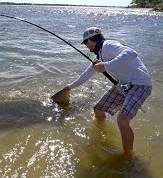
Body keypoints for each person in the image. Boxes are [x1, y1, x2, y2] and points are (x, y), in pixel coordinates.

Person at [63, 27, 152, 159]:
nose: (86, 47)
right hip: (124, 84)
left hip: (140, 84)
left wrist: (106, 65)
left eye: (86, 43)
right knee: (98, 109)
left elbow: (131, 53)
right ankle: (101, 133)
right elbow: (87, 74)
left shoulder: (108, 45)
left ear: (91, 40)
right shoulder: (98, 56)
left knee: (122, 120)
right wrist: (70, 87)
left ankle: (128, 157)